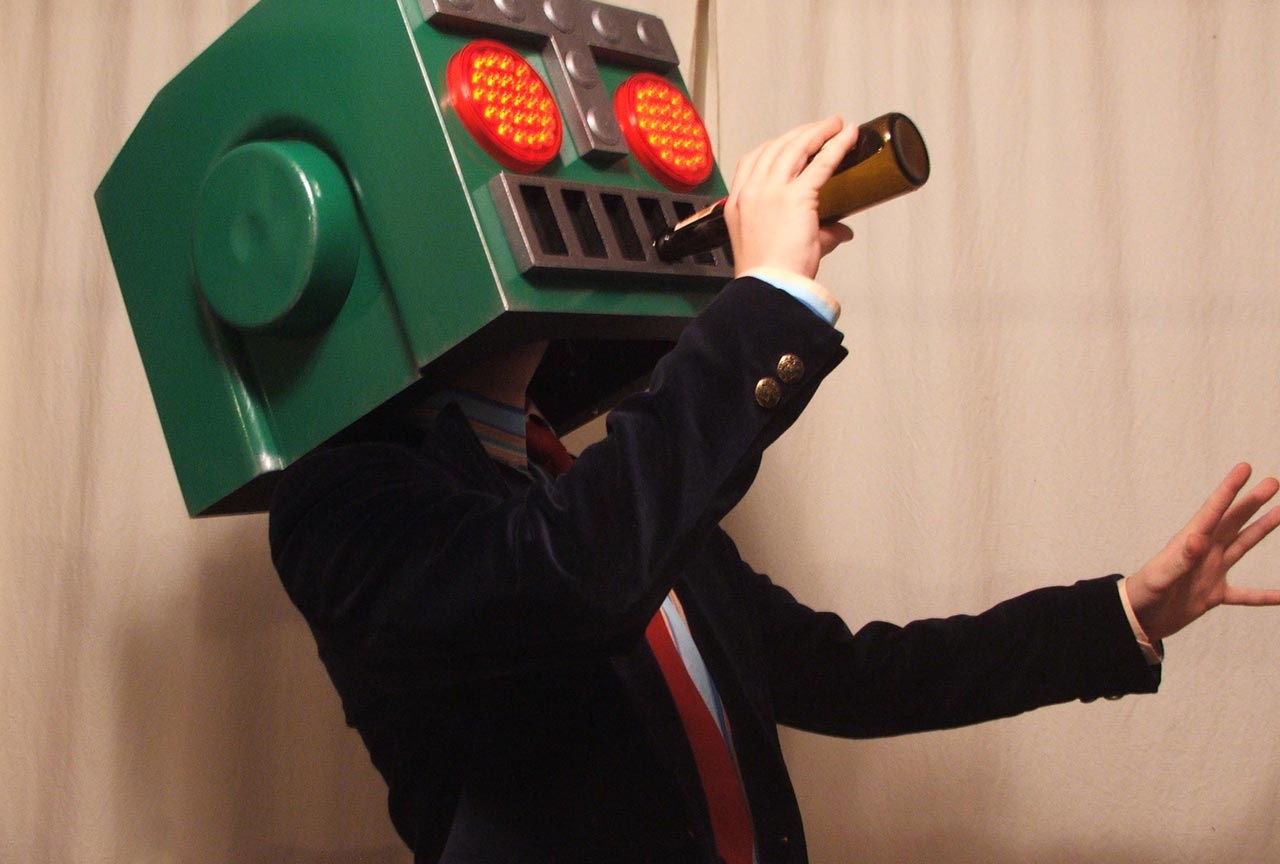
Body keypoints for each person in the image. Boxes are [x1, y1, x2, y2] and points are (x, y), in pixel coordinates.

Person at [268, 116, 1280, 864]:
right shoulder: (343, 502)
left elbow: (850, 676)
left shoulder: (593, 488)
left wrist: (1121, 615)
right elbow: (568, 577)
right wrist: (766, 303)